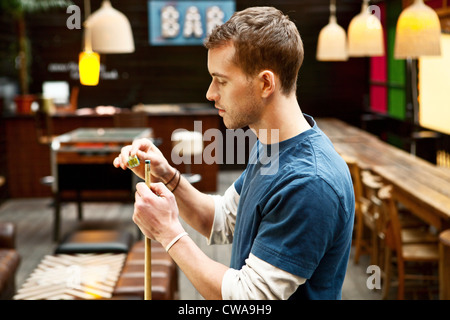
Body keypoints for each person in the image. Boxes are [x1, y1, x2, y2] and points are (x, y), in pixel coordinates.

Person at [113, 6, 354, 300]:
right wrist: (167, 175)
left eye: (221, 80)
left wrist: (168, 232)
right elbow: (222, 220)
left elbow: (248, 297)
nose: (210, 93)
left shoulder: (310, 182)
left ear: (265, 83)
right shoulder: (271, 144)